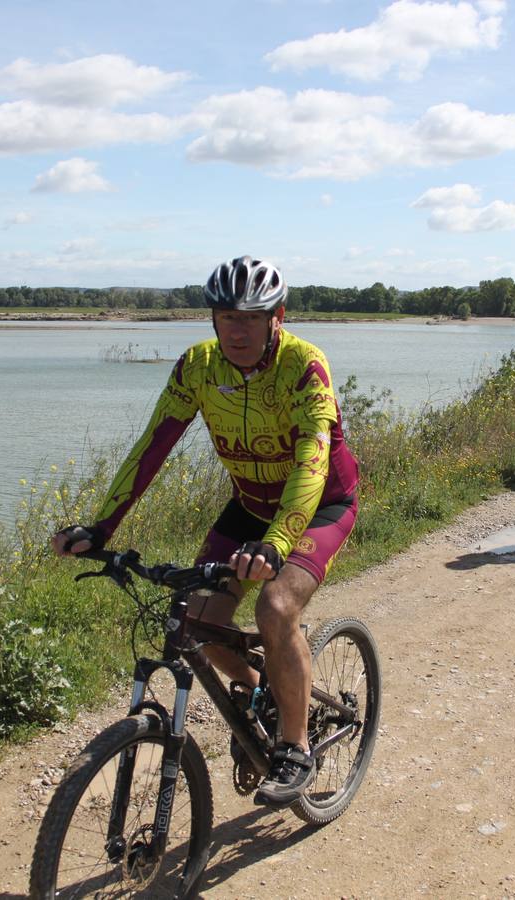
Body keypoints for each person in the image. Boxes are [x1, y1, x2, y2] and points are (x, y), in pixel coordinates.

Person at [52, 255, 359, 807]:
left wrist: (278, 543)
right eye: (225, 316)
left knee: (275, 608)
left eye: (251, 317)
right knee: (195, 622)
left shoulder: (304, 365)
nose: (237, 329)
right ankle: (263, 685)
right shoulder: (198, 367)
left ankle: (295, 746)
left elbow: (314, 458)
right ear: (212, 319)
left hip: (320, 507)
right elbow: (152, 446)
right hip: (248, 505)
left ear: (277, 317)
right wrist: (100, 526)